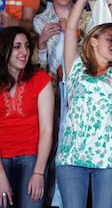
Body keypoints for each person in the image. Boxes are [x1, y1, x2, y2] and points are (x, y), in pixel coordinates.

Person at [55, 0, 112, 207]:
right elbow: (69, 28)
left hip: (108, 160)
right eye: (108, 39)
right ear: (93, 41)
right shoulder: (75, 68)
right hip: (71, 157)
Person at [0, 27, 54, 208]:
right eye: (17, 47)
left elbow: (47, 130)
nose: (24, 52)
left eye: (26, 46)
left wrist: (38, 172)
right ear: (4, 49)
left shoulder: (40, 79)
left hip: (32, 159)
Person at [33, 0, 80, 78]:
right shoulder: (39, 21)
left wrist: (73, 33)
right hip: (51, 84)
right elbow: (37, 67)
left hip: (79, 82)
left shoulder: (87, 18)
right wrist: (41, 44)